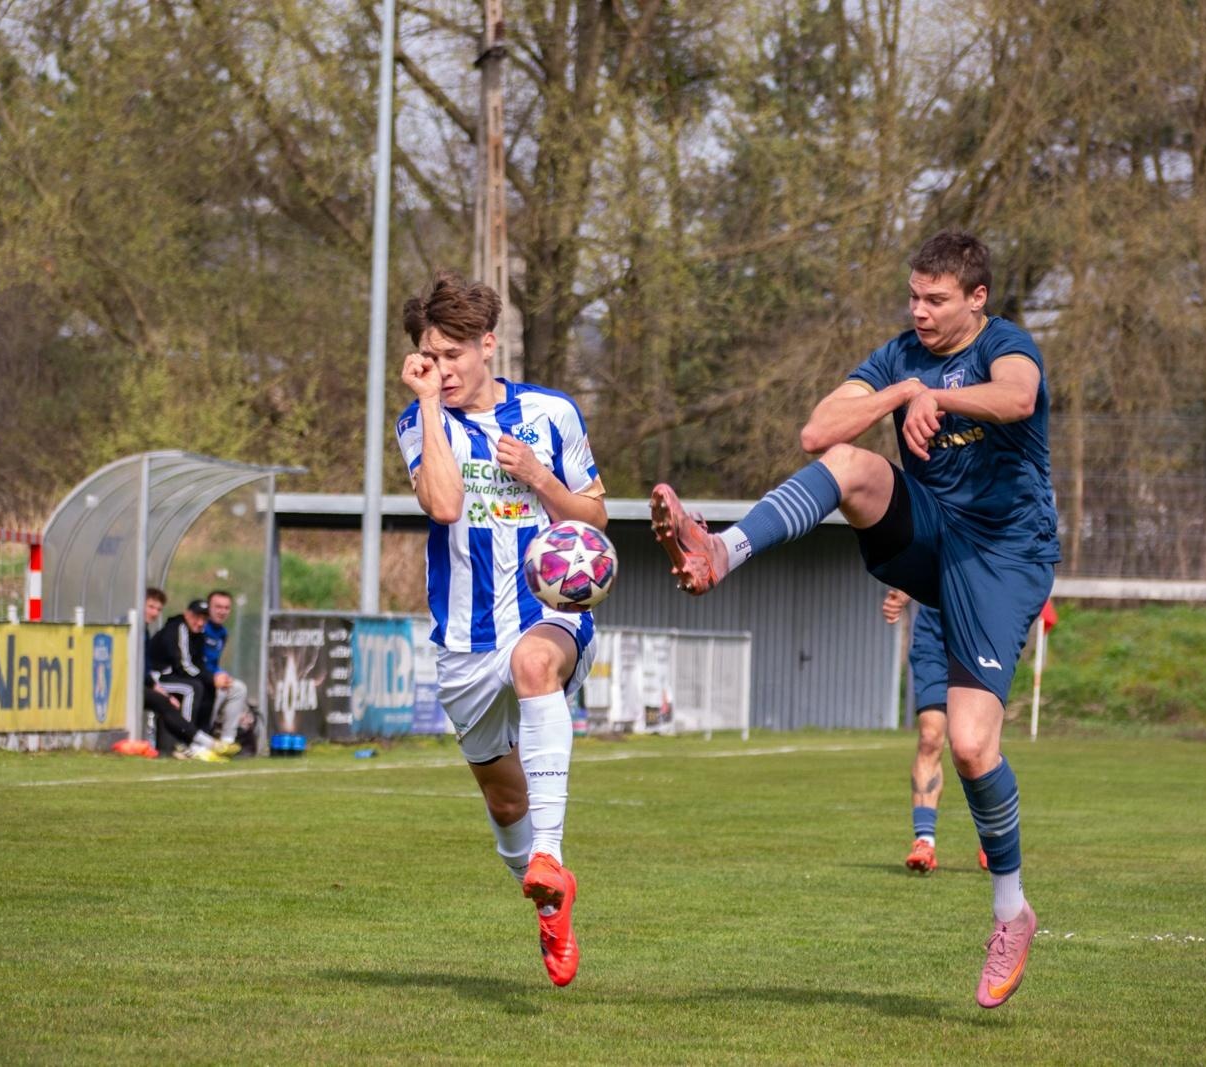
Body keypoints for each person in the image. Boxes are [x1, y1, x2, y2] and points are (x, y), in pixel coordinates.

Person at [650, 231, 1054, 1008]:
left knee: (970, 746)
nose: (920, 311)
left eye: (936, 299)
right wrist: (902, 392)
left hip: (1005, 556)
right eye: (913, 295)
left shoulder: (1009, 344)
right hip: (933, 531)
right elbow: (817, 431)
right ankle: (720, 553)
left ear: (977, 299)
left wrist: (937, 395)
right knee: (850, 467)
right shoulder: (901, 352)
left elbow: (1018, 397)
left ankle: (1012, 911)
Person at [394, 270, 606, 987]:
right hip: (463, 639)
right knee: (503, 799)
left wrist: (543, 480)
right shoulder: (419, 422)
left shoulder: (551, 413)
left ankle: (549, 853)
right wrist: (426, 403)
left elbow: (596, 517)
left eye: (454, 354)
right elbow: (446, 505)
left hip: (549, 610)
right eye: (431, 354)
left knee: (533, 666)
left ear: (489, 345)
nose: (443, 369)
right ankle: (550, 899)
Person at [882, 589, 987, 874]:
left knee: (974, 745)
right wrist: (903, 591)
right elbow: (926, 551)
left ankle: (992, 839)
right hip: (933, 639)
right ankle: (924, 841)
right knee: (930, 738)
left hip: (981, 637)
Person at [146, 596, 237, 761]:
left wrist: (213, 679)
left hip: (173, 678)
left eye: (204, 619)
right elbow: (184, 666)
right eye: (196, 617)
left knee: (207, 687)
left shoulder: (199, 634)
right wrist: (210, 678)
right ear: (187, 615)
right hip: (157, 678)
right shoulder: (178, 628)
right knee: (192, 688)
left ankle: (202, 740)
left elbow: (198, 664)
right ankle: (186, 741)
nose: (200, 622)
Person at [201, 590, 253, 751]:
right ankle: (203, 738)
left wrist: (223, 674)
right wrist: (213, 677)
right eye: (218, 607)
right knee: (218, 691)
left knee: (238, 688)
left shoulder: (222, 633)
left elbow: (214, 661)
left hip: (212, 675)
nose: (222, 611)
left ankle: (227, 741)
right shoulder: (200, 627)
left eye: (226, 608)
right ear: (208, 608)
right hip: (198, 677)